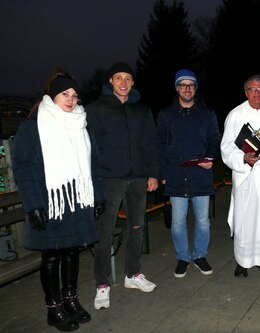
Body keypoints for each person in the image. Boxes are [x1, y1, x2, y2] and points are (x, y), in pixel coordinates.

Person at [11, 71, 106, 332]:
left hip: (77, 202)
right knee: (52, 256)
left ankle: (71, 300)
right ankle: (53, 309)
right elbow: (22, 167)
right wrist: (32, 205)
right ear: (52, 96)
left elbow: (94, 163)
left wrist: (98, 195)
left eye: (75, 95)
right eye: (65, 94)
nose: (71, 99)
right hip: (49, 202)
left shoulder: (81, 125)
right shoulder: (33, 126)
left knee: (72, 252)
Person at [86, 62, 159, 310]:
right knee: (105, 232)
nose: (124, 82)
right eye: (119, 78)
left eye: (128, 78)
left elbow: (152, 143)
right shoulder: (96, 110)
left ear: (133, 83)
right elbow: (90, 148)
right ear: (111, 82)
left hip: (138, 177)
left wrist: (153, 174)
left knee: (137, 226)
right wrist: (94, 179)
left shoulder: (142, 110)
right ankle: (102, 284)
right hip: (110, 179)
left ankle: (132, 274)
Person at [156, 69, 220, 278]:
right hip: (176, 176)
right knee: (177, 221)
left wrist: (209, 159)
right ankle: (183, 257)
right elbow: (160, 145)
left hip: (200, 176)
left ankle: (200, 255)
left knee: (203, 220)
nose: (187, 88)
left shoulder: (207, 114)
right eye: (183, 85)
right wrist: (163, 172)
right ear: (177, 88)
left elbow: (214, 142)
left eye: (191, 85)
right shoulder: (166, 115)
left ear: (195, 88)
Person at [220, 74, 260, 277]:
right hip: (244, 175)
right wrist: (243, 158)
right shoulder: (235, 115)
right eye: (253, 89)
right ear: (246, 91)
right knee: (244, 218)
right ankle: (243, 261)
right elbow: (226, 147)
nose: (257, 93)